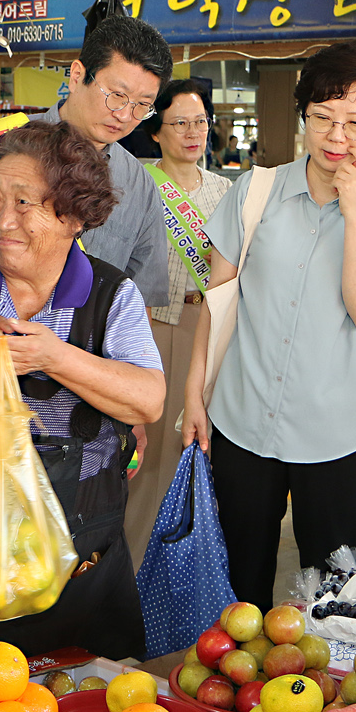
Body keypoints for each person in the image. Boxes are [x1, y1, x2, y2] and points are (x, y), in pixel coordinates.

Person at [0, 122, 165, 671]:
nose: (2, 219)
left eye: (25, 203)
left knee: (83, 706)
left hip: (79, 547)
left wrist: (54, 356)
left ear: (74, 215)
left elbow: (148, 401)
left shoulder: (113, 295)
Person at [182, 40, 356, 611]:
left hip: (334, 434)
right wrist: (194, 397)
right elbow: (216, 304)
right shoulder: (254, 192)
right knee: (238, 586)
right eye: (323, 118)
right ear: (304, 117)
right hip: (241, 418)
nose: (337, 137)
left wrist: (355, 211)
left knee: (332, 596)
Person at [0, 14, 175, 311]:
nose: (125, 115)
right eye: (116, 95)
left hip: (80, 351)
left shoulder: (139, 184)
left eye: (142, 105)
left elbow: (142, 301)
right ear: (76, 76)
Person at [123, 79, 230, 569]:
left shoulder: (226, 190)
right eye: (180, 123)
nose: (193, 133)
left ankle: (186, 567)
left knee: (198, 453)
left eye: (201, 122)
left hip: (208, 329)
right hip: (153, 327)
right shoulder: (136, 182)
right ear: (156, 131)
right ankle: (134, 572)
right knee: (151, 457)